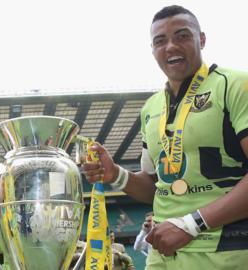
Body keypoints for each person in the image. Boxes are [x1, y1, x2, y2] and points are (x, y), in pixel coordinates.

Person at [82, 4, 248, 269]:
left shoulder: (236, 85)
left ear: (201, 39)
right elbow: (155, 186)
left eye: (182, 36)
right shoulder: (151, 108)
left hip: (225, 251)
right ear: (152, 50)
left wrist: (191, 224)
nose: (170, 46)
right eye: (160, 41)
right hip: (163, 254)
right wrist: (115, 174)